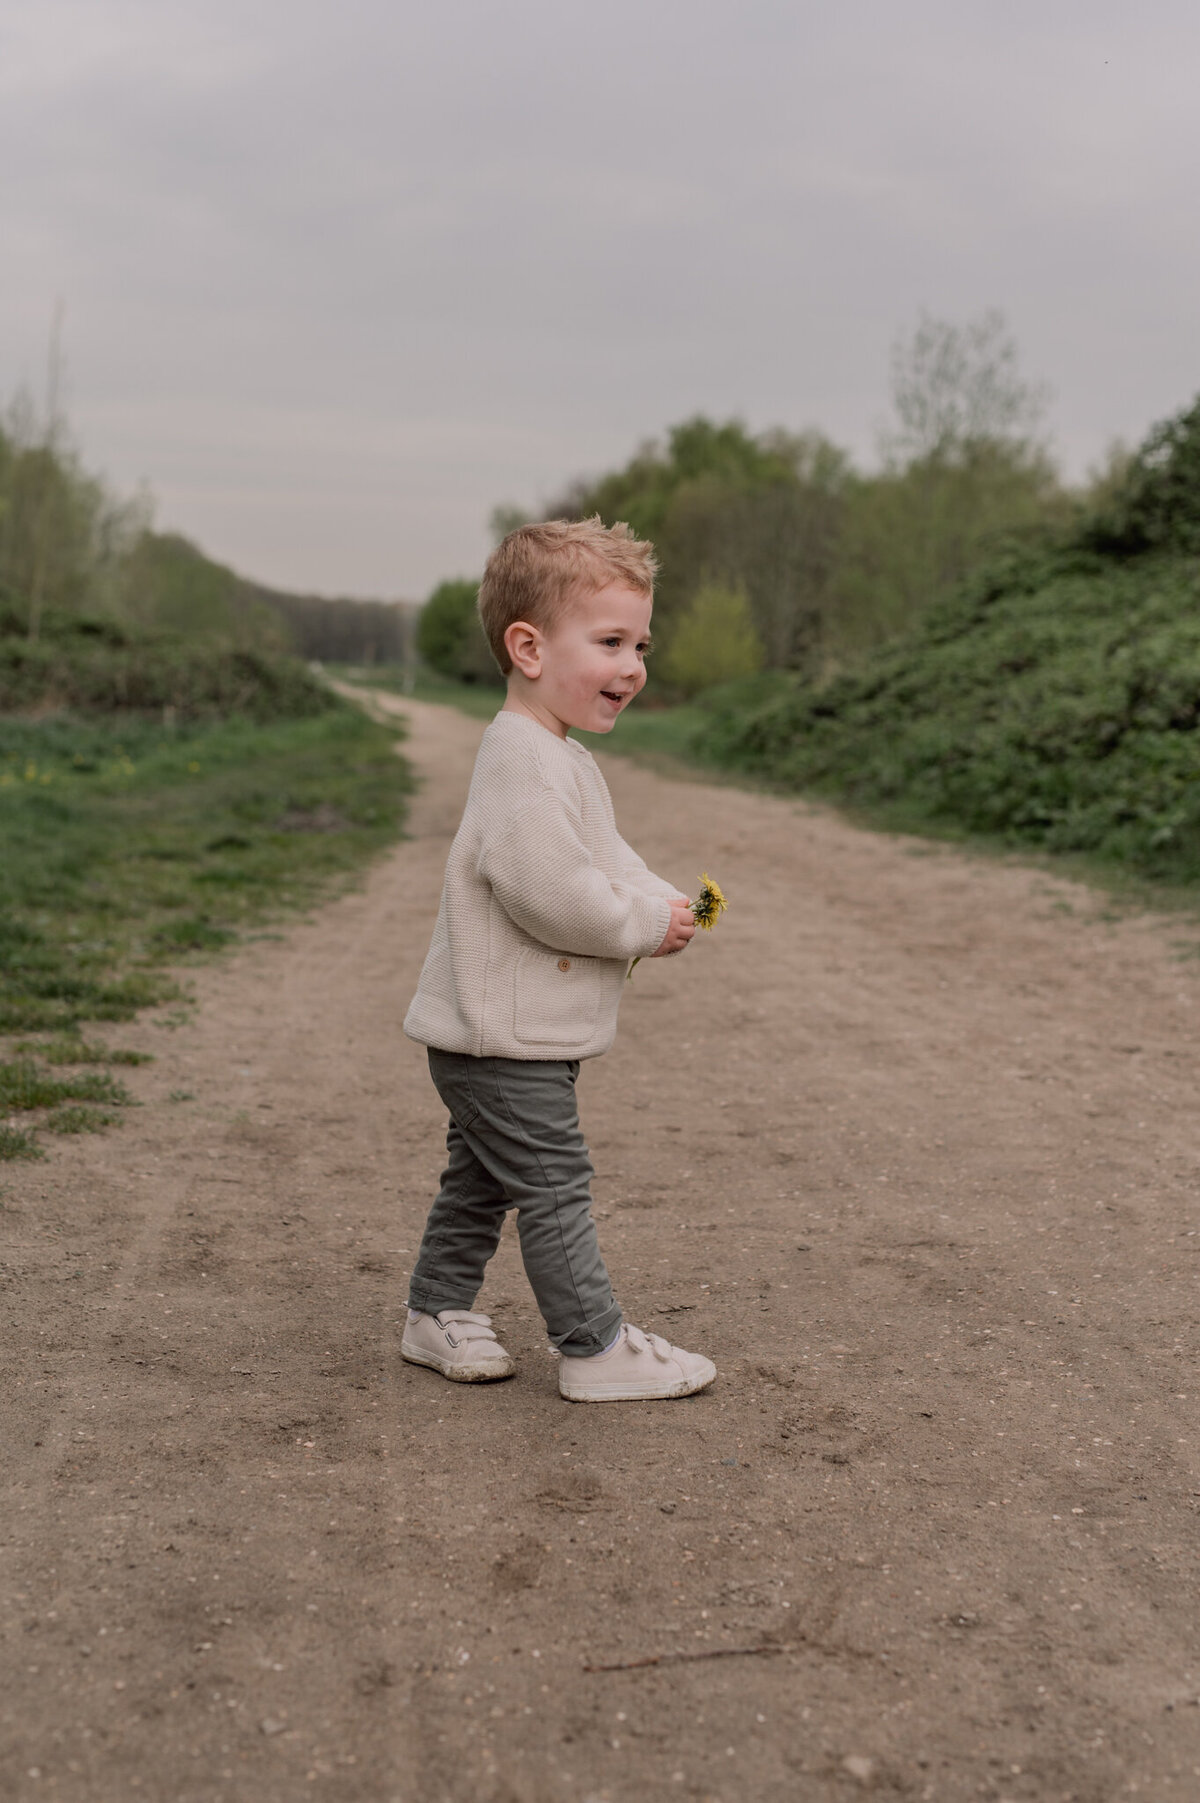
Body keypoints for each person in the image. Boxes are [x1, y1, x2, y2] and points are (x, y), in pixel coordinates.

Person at [401, 518, 717, 1402]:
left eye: (640, 643)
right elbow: (551, 890)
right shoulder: (518, 760)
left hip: (502, 1037)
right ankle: (593, 1345)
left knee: (481, 1182)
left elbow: (603, 860)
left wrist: (661, 901)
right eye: (610, 641)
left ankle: (435, 1311)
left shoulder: (562, 758)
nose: (633, 665)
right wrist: (636, 927)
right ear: (529, 647)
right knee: (553, 1182)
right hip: (499, 1039)